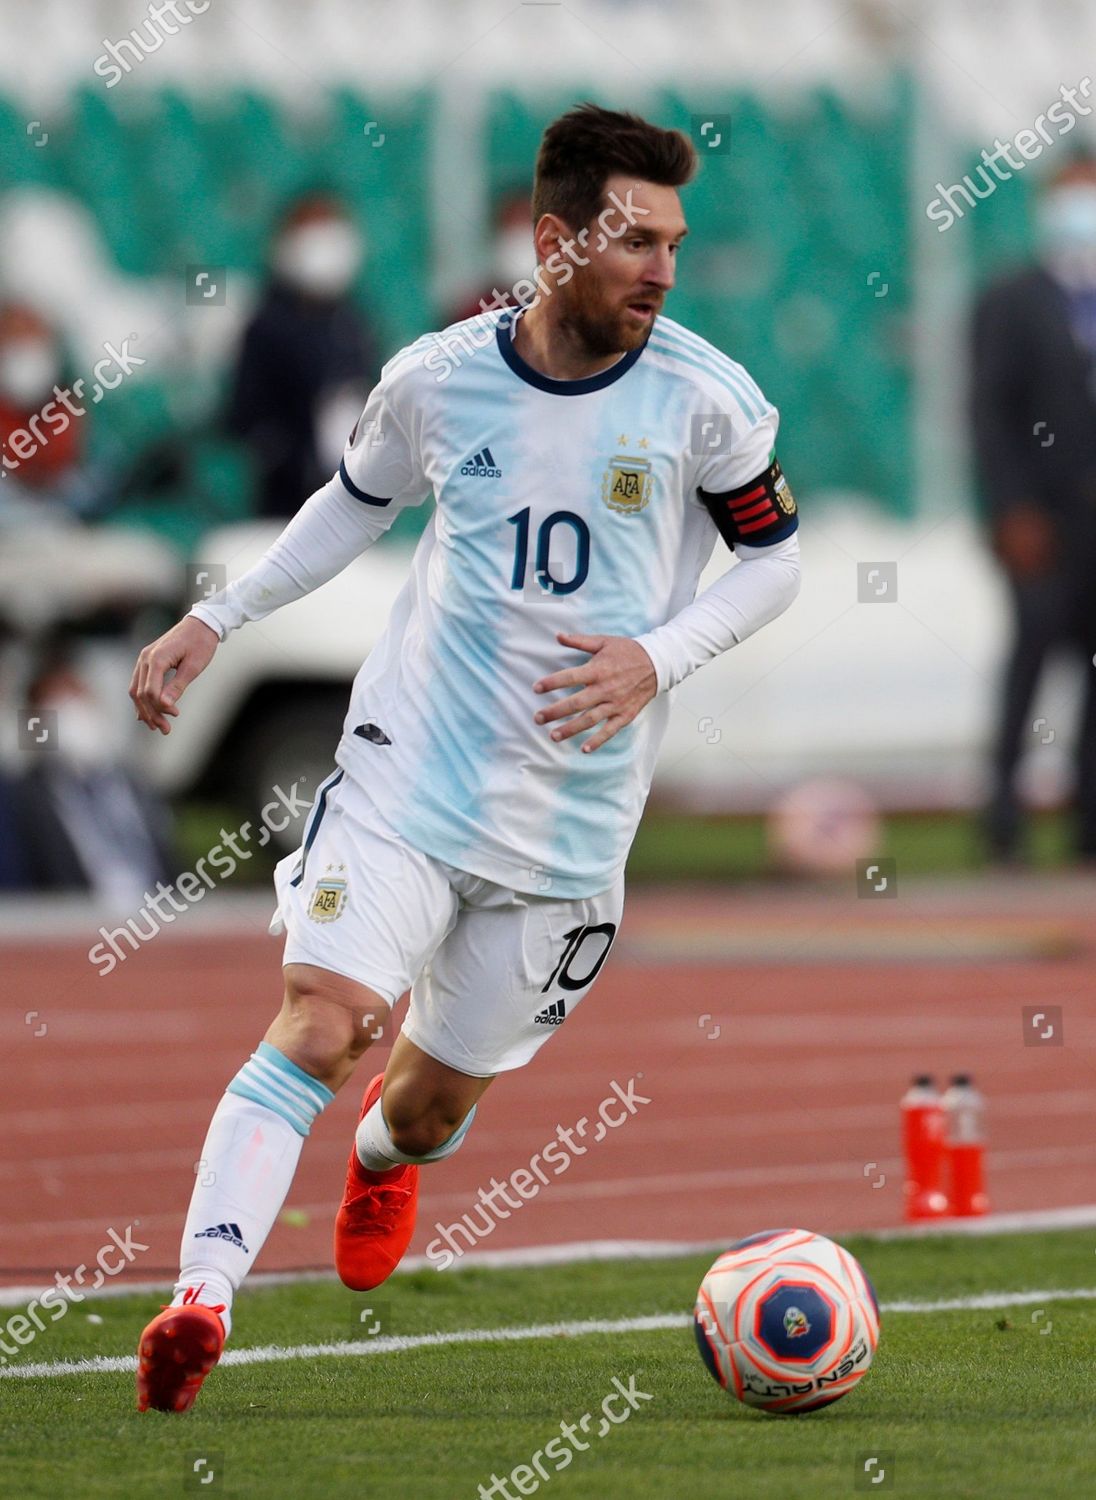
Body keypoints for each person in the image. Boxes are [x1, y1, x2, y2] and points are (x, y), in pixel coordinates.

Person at [129, 102, 801, 1413]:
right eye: (634, 242)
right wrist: (219, 617)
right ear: (553, 244)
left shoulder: (707, 402)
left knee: (428, 1107)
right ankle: (198, 1304)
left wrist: (658, 657)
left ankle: (384, 1157)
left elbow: (775, 561)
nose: (663, 270)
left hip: (568, 827)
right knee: (323, 1021)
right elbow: (352, 504)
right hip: (409, 771)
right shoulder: (437, 379)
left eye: (675, 243)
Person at [973, 155, 1096, 862]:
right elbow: (991, 413)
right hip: (1043, 520)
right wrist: (1011, 509)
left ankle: (1089, 827)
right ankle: (1003, 820)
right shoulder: (1012, 299)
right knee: (1030, 660)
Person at [226, 191, 382, 518]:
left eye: (331, 225)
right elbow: (245, 421)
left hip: (357, 503)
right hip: (286, 507)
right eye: (312, 228)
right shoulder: (266, 326)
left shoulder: (356, 323)